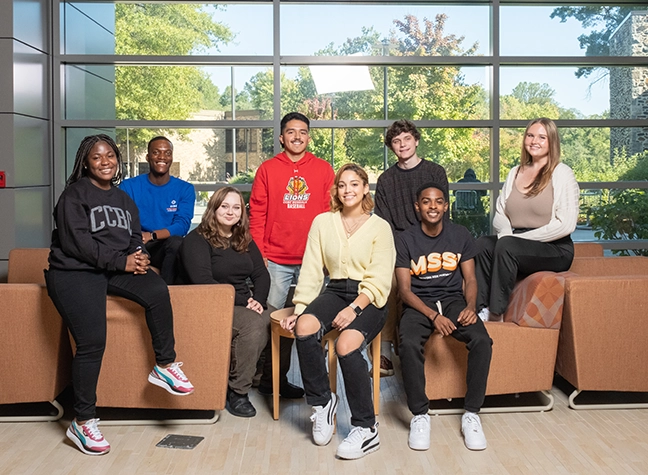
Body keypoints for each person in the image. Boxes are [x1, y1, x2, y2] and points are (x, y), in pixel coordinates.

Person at [45, 134, 194, 456]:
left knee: (156, 288)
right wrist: (121, 261)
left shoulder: (123, 199)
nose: (105, 162)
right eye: (97, 157)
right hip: (74, 273)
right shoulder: (74, 196)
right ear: (86, 161)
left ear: (118, 159)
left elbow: (132, 238)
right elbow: (77, 245)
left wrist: (139, 255)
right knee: (92, 342)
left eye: (110, 156)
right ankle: (82, 422)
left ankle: (165, 365)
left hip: (112, 268)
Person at [281, 164, 395, 460]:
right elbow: (311, 270)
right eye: (342, 185)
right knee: (304, 326)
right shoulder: (323, 223)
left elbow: (381, 278)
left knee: (346, 344)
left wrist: (354, 308)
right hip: (335, 290)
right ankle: (323, 403)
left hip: (370, 298)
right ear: (336, 190)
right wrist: (301, 307)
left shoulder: (379, 227)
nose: (348, 190)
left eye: (354, 184)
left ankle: (366, 429)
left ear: (365, 189)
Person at [395, 182, 492, 452]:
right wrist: (431, 316)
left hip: (453, 301)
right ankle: (420, 415)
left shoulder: (460, 234)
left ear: (446, 206)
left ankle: (471, 414)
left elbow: (470, 279)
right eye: (426, 201)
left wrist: (470, 306)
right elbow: (404, 290)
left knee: (482, 341)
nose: (433, 206)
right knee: (409, 343)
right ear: (418, 207)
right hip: (419, 303)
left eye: (438, 201)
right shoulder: (405, 239)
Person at [249, 112, 335, 398]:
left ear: (308, 137)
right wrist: (260, 255)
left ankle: (318, 386)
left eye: (302, 132)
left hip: (313, 261)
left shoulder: (323, 169)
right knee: (271, 322)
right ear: (281, 137)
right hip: (275, 260)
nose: (297, 136)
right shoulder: (267, 169)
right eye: (291, 132)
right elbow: (258, 214)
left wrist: (326, 257)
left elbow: (330, 214)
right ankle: (271, 381)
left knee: (316, 321)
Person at [176, 187, 270, 418]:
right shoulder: (196, 240)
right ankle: (237, 391)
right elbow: (203, 282)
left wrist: (258, 299)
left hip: (243, 301)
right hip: (210, 304)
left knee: (283, 320)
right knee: (254, 325)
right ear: (214, 208)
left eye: (236, 207)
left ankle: (271, 380)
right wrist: (246, 301)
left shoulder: (242, 238)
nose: (230, 212)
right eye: (225, 206)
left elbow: (261, 274)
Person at [474, 118, 580, 321]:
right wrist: (507, 236)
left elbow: (566, 224)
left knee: (507, 247)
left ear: (552, 142)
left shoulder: (562, 173)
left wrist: (518, 240)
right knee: (482, 245)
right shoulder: (515, 172)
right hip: (515, 240)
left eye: (542, 137)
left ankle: (496, 314)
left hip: (553, 247)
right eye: (530, 135)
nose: (534, 141)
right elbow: (500, 213)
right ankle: (481, 309)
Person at [373, 119, 449, 376]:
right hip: (400, 248)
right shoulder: (386, 180)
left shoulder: (435, 172)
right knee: (389, 286)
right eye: (396, 141)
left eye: (406, 139)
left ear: (416, 141)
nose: (402, 144)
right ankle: (384, 351)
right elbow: (384, 226)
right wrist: (403, 252)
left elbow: (442, 215)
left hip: (433, 244)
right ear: (391, 147)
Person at [120, 136, 195, 285]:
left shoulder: (185, 189)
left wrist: (152, 235)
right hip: (136, 243)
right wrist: (140, 238)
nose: (162, 157)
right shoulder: (128, 187)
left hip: (164, 246)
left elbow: (182, 225)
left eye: (167, 153)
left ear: (172, 157)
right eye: (156, 152)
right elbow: (121, 222)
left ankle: (166, 292)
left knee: (177, 243)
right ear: (148, 157)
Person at [452, 168, 489, 237]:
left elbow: (454, 193)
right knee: (480, 203)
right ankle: (482, 222)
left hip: (461, 207)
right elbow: (485, 193)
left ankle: (455, 220)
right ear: (474, 175)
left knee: (454, 203)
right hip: (474, 207)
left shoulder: (460, 182)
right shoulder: (477, 182)